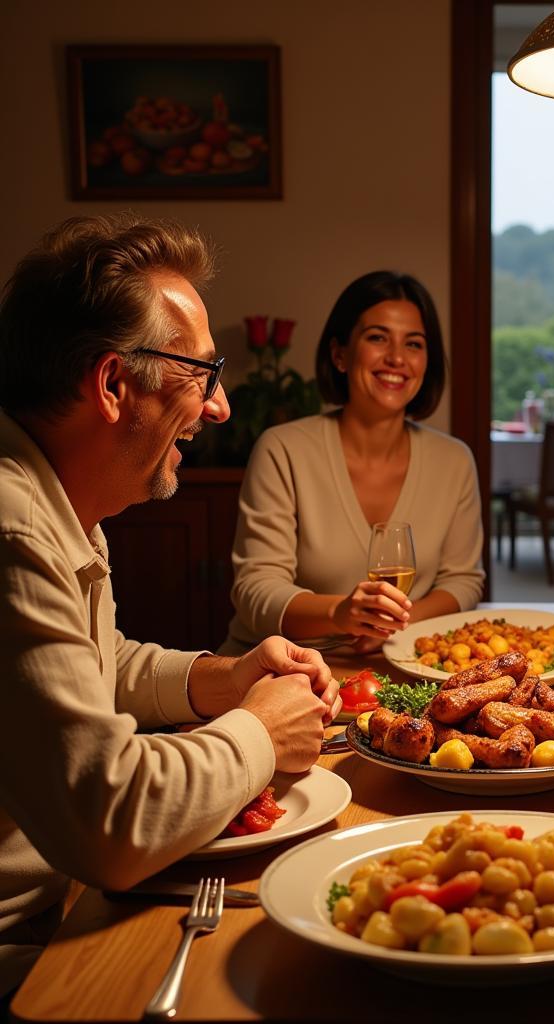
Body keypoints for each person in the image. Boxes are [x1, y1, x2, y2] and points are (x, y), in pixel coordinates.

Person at [0, 214, 341, 999]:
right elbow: (109, 816)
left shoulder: (66, 501)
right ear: (114, 386)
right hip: (30, 958)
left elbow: (101, 664)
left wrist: (224, 679)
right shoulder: (15, 528)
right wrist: (260, 728)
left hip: (79, 907)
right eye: (200, 374)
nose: (218, 407)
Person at [220, 270, 484, 656]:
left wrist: (393, 627)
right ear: (339, 354)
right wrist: (340, 612)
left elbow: (463, 581)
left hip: (399, 670)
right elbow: (255, 588)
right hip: (277, 669)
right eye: (377, 338)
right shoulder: (283, 449)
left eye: (414, 344)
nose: (396, 358)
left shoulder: (454, 460)